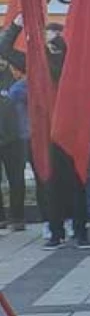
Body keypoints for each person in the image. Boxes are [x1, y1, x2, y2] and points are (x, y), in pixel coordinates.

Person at [0, 18, 90, 249]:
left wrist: (51, 42)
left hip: (69, 130)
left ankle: (79, 231)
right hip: (44, 133)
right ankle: (56, 231)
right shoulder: (35, 64)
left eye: (54, 40)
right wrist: (18, 25)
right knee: (48, 183)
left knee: (76, 181)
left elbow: (65, 59)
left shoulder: (69, 62)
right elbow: (4, 49)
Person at [0, 57, 27, 231]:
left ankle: (17, 218)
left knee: (16, 179)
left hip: (15, 137)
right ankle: (1, 218)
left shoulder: (14, 75)